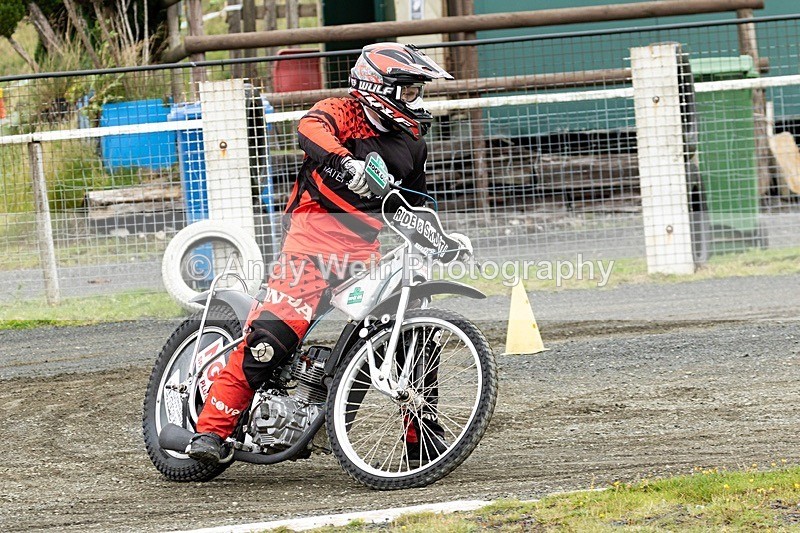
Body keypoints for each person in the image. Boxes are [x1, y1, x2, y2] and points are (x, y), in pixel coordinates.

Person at [187, 43, 465, 463]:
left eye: (417, 91)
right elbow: (309, 129)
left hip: (363, 251)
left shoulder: (412, 141)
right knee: (272, 337)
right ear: (379, 87)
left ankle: (420, 436)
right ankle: (210, 430)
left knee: (413, 332)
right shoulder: (340, 109)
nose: (415, 100)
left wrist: (442, 241)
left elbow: (417, 203)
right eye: (408, 90)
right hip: (311, 242)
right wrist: (345, 163)